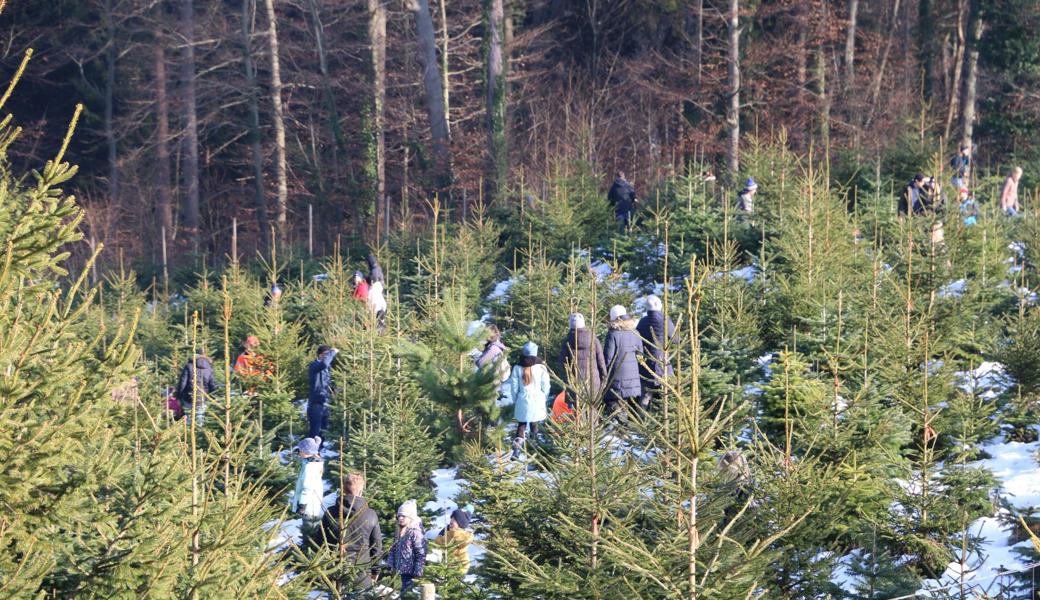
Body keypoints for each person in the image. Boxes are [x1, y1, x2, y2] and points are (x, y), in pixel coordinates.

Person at [320, 472, 382, 592]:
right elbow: (376, 547)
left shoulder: (330, 513)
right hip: (362, 572)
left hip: (335, 573)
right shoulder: (370, 514)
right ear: (361, 490)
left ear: (344, 489)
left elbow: (321, 542)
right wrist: (376, 571)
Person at [507, 341, 550, 460]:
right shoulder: (541, 367)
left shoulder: (517, 368)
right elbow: (546, 385)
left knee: (521, 425)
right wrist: (544, 398)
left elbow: (514, 387)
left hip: (522, 399)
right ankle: (533, 449)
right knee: (534, 424)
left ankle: (516, 450)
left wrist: (516, 399)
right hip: (537, 400)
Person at [603, 305, 643, 423]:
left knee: (613, 401)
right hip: (634, 376)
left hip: (617, 375)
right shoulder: (635, 332)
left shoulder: (613, 334)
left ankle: (620, 425)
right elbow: (640, 354)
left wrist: (603, 374)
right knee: (629, 403)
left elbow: (608, 358)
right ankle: (631, 426)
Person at [637, 295, 676, 411]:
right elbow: (676, 339)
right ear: (660, 305)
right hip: (662, 363)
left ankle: (641, 421)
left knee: (645, 396)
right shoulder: (665, 320)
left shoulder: (642, 322)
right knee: (667, 394)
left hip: (645, 364)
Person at [559, 313, 608, 404]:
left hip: (575, 383)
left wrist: (567, 378)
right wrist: (604, 378)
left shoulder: (566, 341)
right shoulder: (593, 339)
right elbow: (601, 362)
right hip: (593, 382)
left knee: (577, 412)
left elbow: (562, 363)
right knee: (592, 412)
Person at [388, 500, 426, 597]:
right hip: (399, 570)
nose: (400, 518)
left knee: (407, 594)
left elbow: (420, 553)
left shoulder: (415, 533)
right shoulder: (400, 531)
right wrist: (390, 564)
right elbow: (393, 548)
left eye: (403, 516)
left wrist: (418, 571)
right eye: (399, 516)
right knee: (400, 593)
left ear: (411, 517)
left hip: (410, 573)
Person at [291, 436, 325, 545]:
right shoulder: (315, 462)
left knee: (309, 532)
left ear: (307, 452)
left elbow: (307, 488)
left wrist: (302, 506)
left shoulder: (309, 468)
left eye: (301, 450)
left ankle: (308, 549)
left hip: (309, 507)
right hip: (315, 504)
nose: (299, 453)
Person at [175, 352, 216, 426]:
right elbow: (212, 385)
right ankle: (199, 434)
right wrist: (213, 398)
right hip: (203, 398)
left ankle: (188, 435)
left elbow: (182, 383)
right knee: (200, 418)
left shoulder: (188, 366)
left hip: (189, 397)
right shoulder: (209, 369)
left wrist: (178, 396)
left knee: (188, 417)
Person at [307, 345, 339, 440]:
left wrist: (333, 390)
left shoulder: (327, 368)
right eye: (326, 354)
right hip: (316, 402)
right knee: (315, 429)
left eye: (329, 354)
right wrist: (333, 352)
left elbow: (325, 383)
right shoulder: (314, 365)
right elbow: (324, 364)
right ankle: (311, 452)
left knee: (324, 429)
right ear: (320, 355)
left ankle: (319, 451)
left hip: (326, 401)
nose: (328, 356)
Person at [430, 508, 474, 575]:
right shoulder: (445, 533)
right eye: (451, 518)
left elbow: (464, 565)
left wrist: (455, 574)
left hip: (450, 575)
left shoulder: (462, 541)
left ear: (460, 524)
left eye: (455, 519)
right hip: (436, 571)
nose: (451, 521)